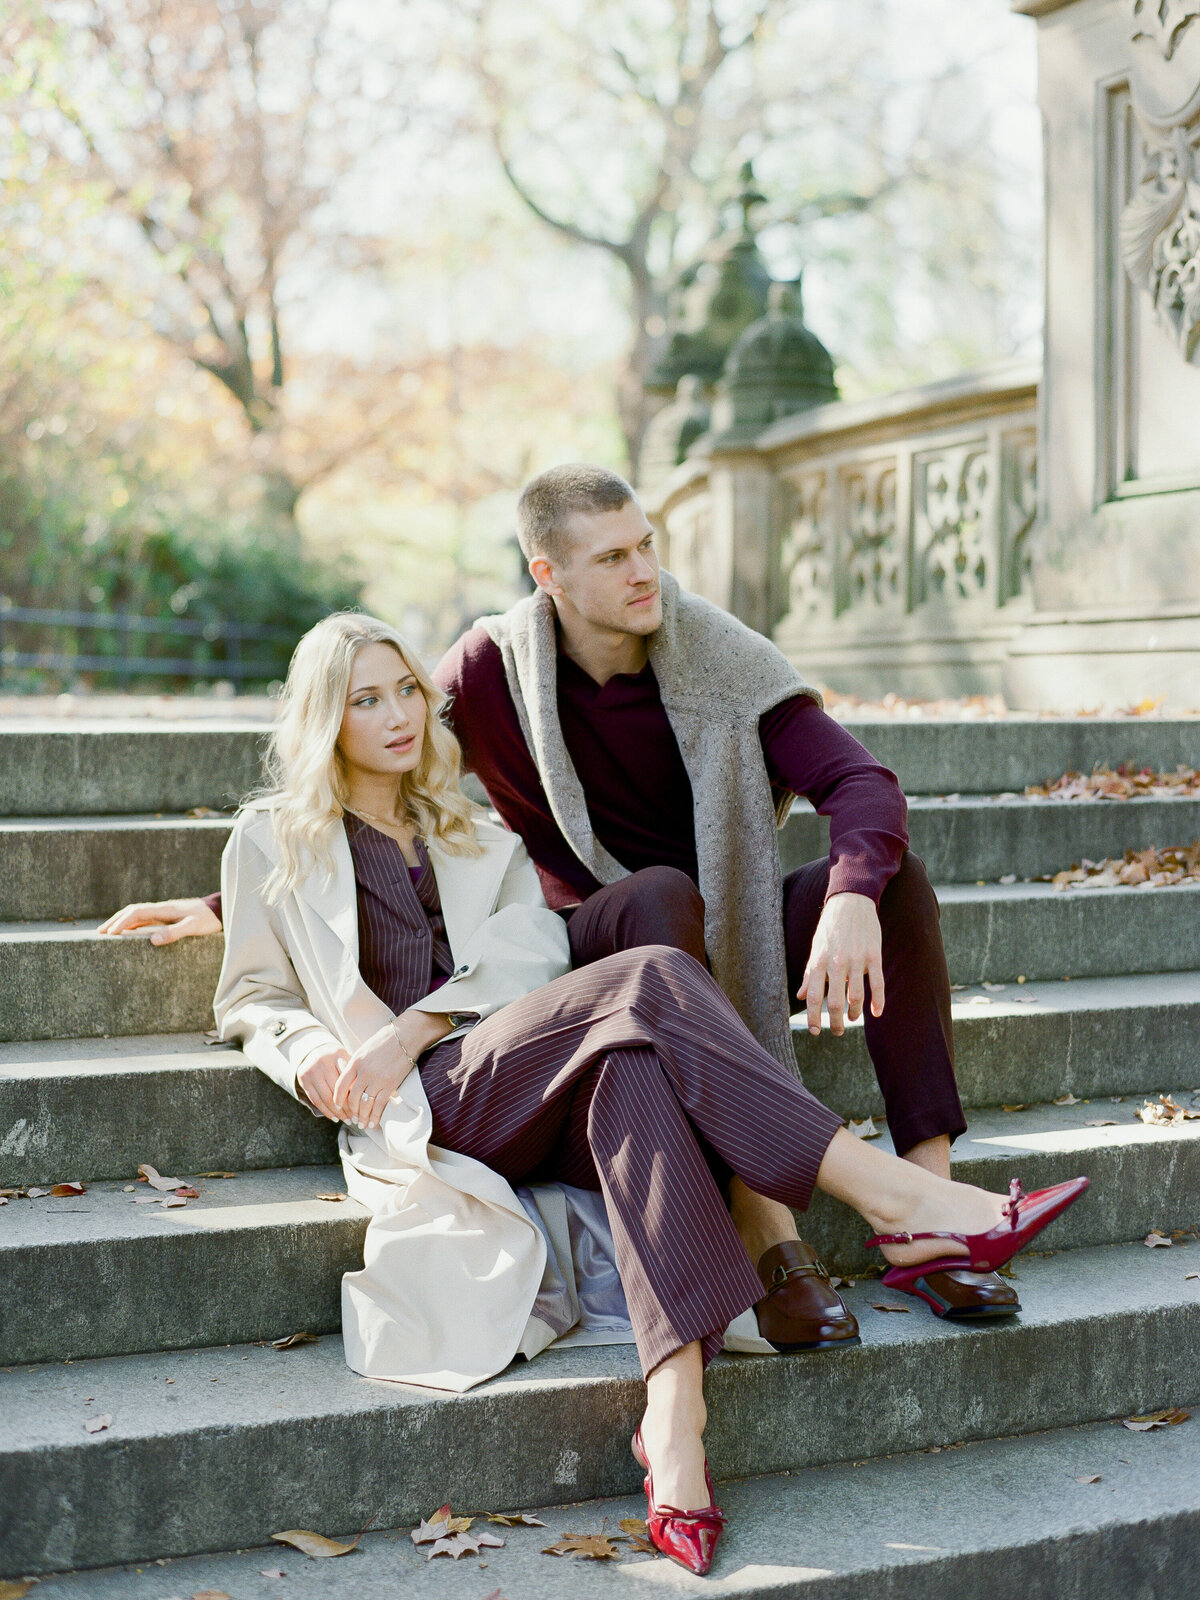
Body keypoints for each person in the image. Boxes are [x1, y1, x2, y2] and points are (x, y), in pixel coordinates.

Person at [208, 610, 1088, 1575]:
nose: (396, 715)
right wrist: (312, 1059)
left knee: (632, 1067)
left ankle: (674, 1416)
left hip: (499, 1063)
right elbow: (254, 993)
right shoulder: (270, 839)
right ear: (324, 720)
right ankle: (901, 1198)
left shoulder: (469, 827)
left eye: (406, 690)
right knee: (652, 978)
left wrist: (419, 1021)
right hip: (422, 1104)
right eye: (364, 700)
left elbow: (538, 946)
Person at [101, 464, 1010, 1336]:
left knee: (897, 884)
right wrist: (231, 899)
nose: (646, 571)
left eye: (647, 545)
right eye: (613, 557)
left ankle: (928, 1218)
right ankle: (763, 1224)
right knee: (658, 898)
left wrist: (851, 893)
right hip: (591, 943)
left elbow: (860, 781)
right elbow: (365, 788)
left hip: (726, 925)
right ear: (550, 575)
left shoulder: (721, 657)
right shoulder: (495, 670)